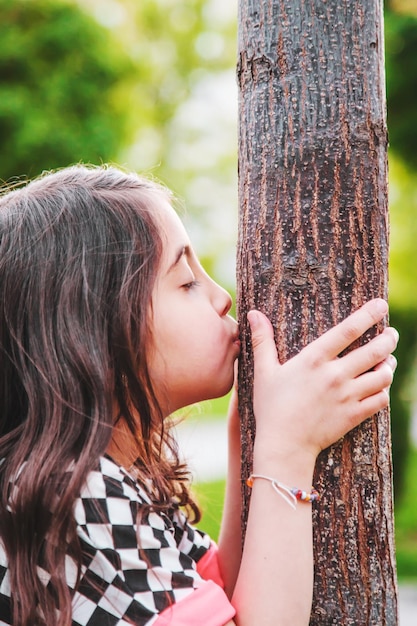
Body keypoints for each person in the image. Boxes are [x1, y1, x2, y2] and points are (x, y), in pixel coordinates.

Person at [0, 164, 398, 626]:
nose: (222, 297)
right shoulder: (72, 493)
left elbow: (221, 593)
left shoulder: (107, 476)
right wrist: (287, 450)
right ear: (95, 332)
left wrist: (247, 435)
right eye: (187, 282)